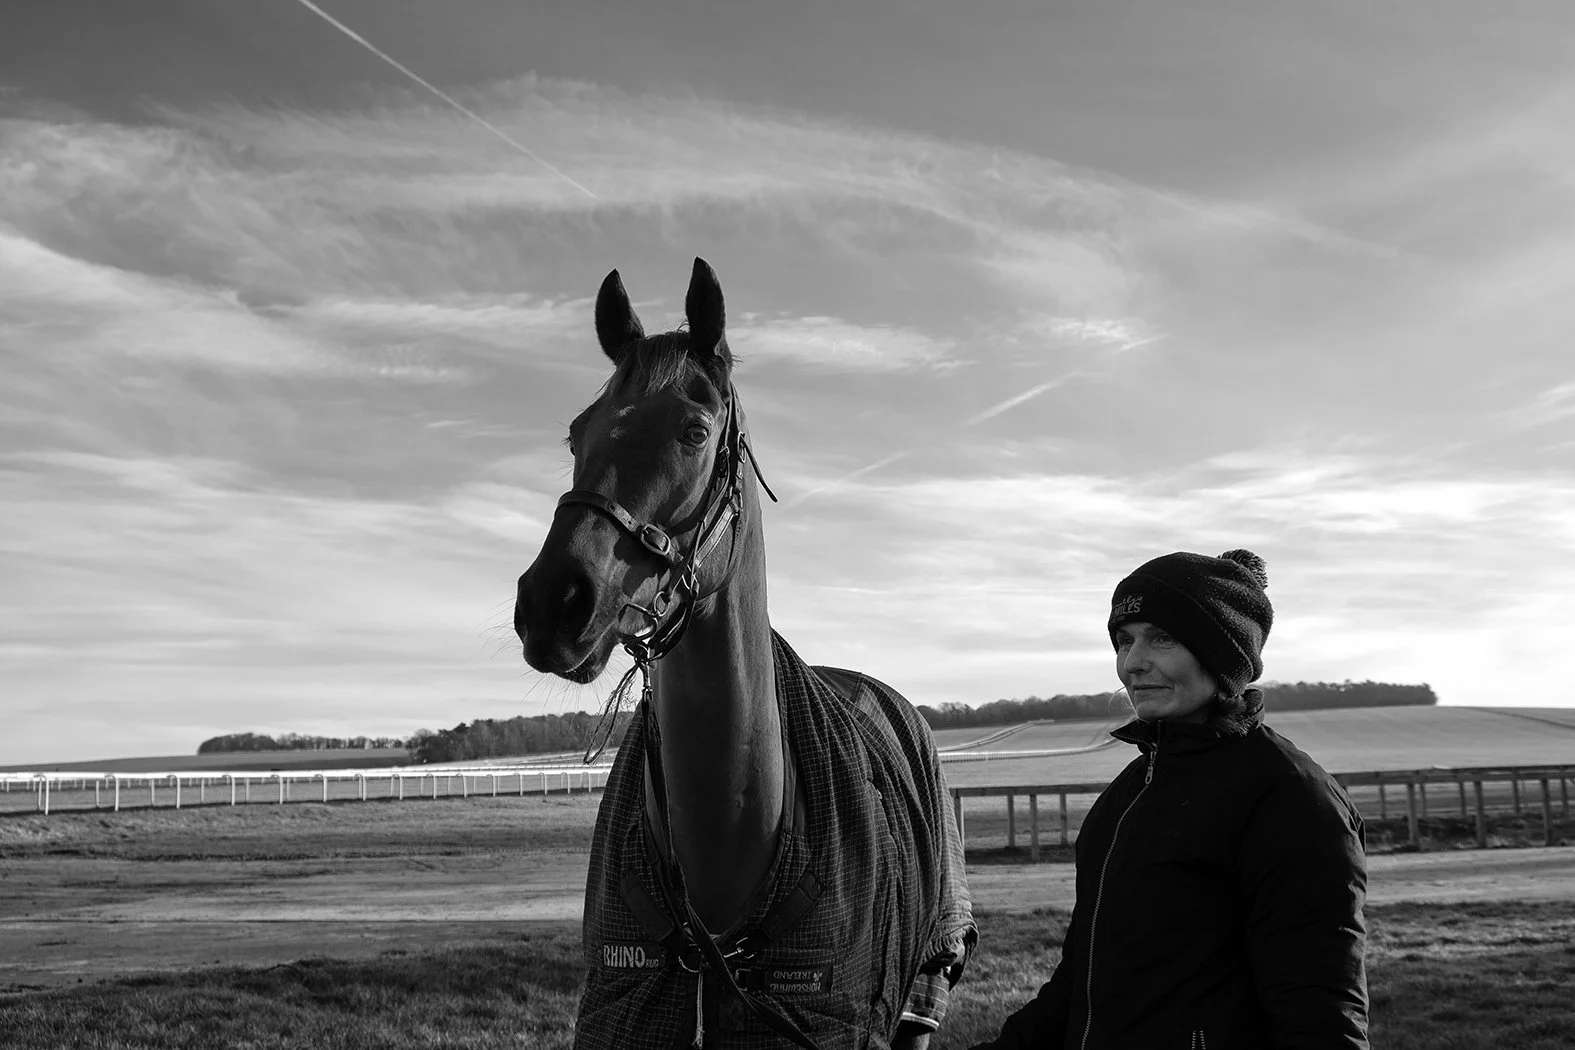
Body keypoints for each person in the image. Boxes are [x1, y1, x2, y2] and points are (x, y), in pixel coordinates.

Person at [971, 548, 1369, 1050]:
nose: (1133, 663)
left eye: (1162, 638)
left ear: (1222, 654)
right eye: (1123, 640)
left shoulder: (1290, 797)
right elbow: (1081, 988)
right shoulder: (1128, 794)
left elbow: (1319, 1011)